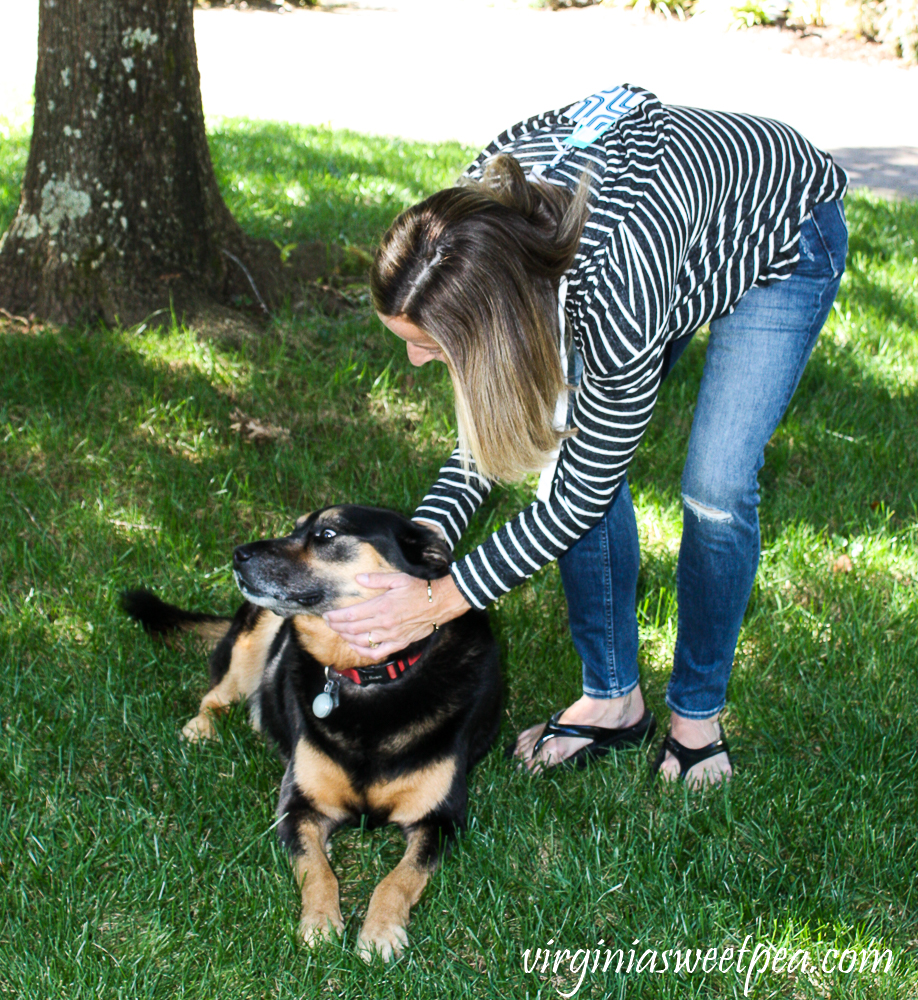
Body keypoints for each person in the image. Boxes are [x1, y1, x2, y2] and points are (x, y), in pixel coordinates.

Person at [323, 84, 848, 786]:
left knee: (714, 487)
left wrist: (444, 599)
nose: (416, 361)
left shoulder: (616, 292)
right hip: (663, 238)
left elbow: (583, 492)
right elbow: (491, 439)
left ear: (496, 329)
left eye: (429, 346)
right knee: (564, 450)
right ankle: (613, 701)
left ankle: (697, 714)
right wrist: (412, 558)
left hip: (780, 229)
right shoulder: (470, 234)